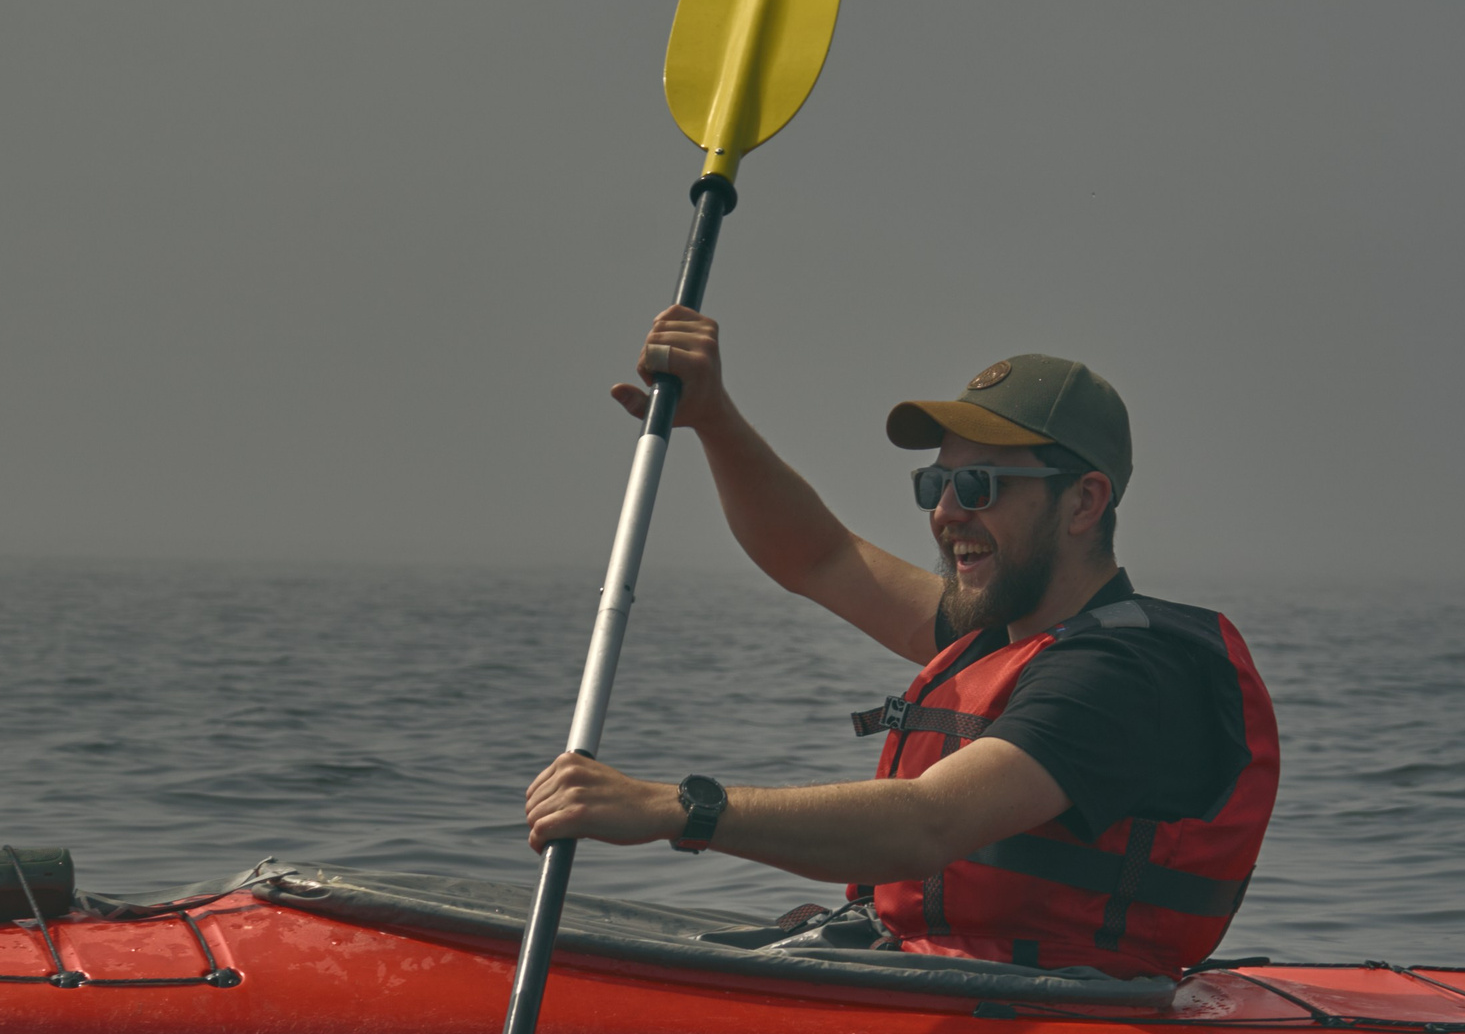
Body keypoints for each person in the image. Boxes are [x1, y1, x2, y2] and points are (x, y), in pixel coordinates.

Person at [522, 308, 1280, 978]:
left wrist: (674, 807)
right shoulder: (1001, 637)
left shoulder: (1125, 677)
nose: (946, 513)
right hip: (935, 970)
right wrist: (715, 418)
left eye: (979, 485)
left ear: (1084, 501)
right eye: (935, 484)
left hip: (1062, 1010)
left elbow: (928, 823)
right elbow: (816, 557)